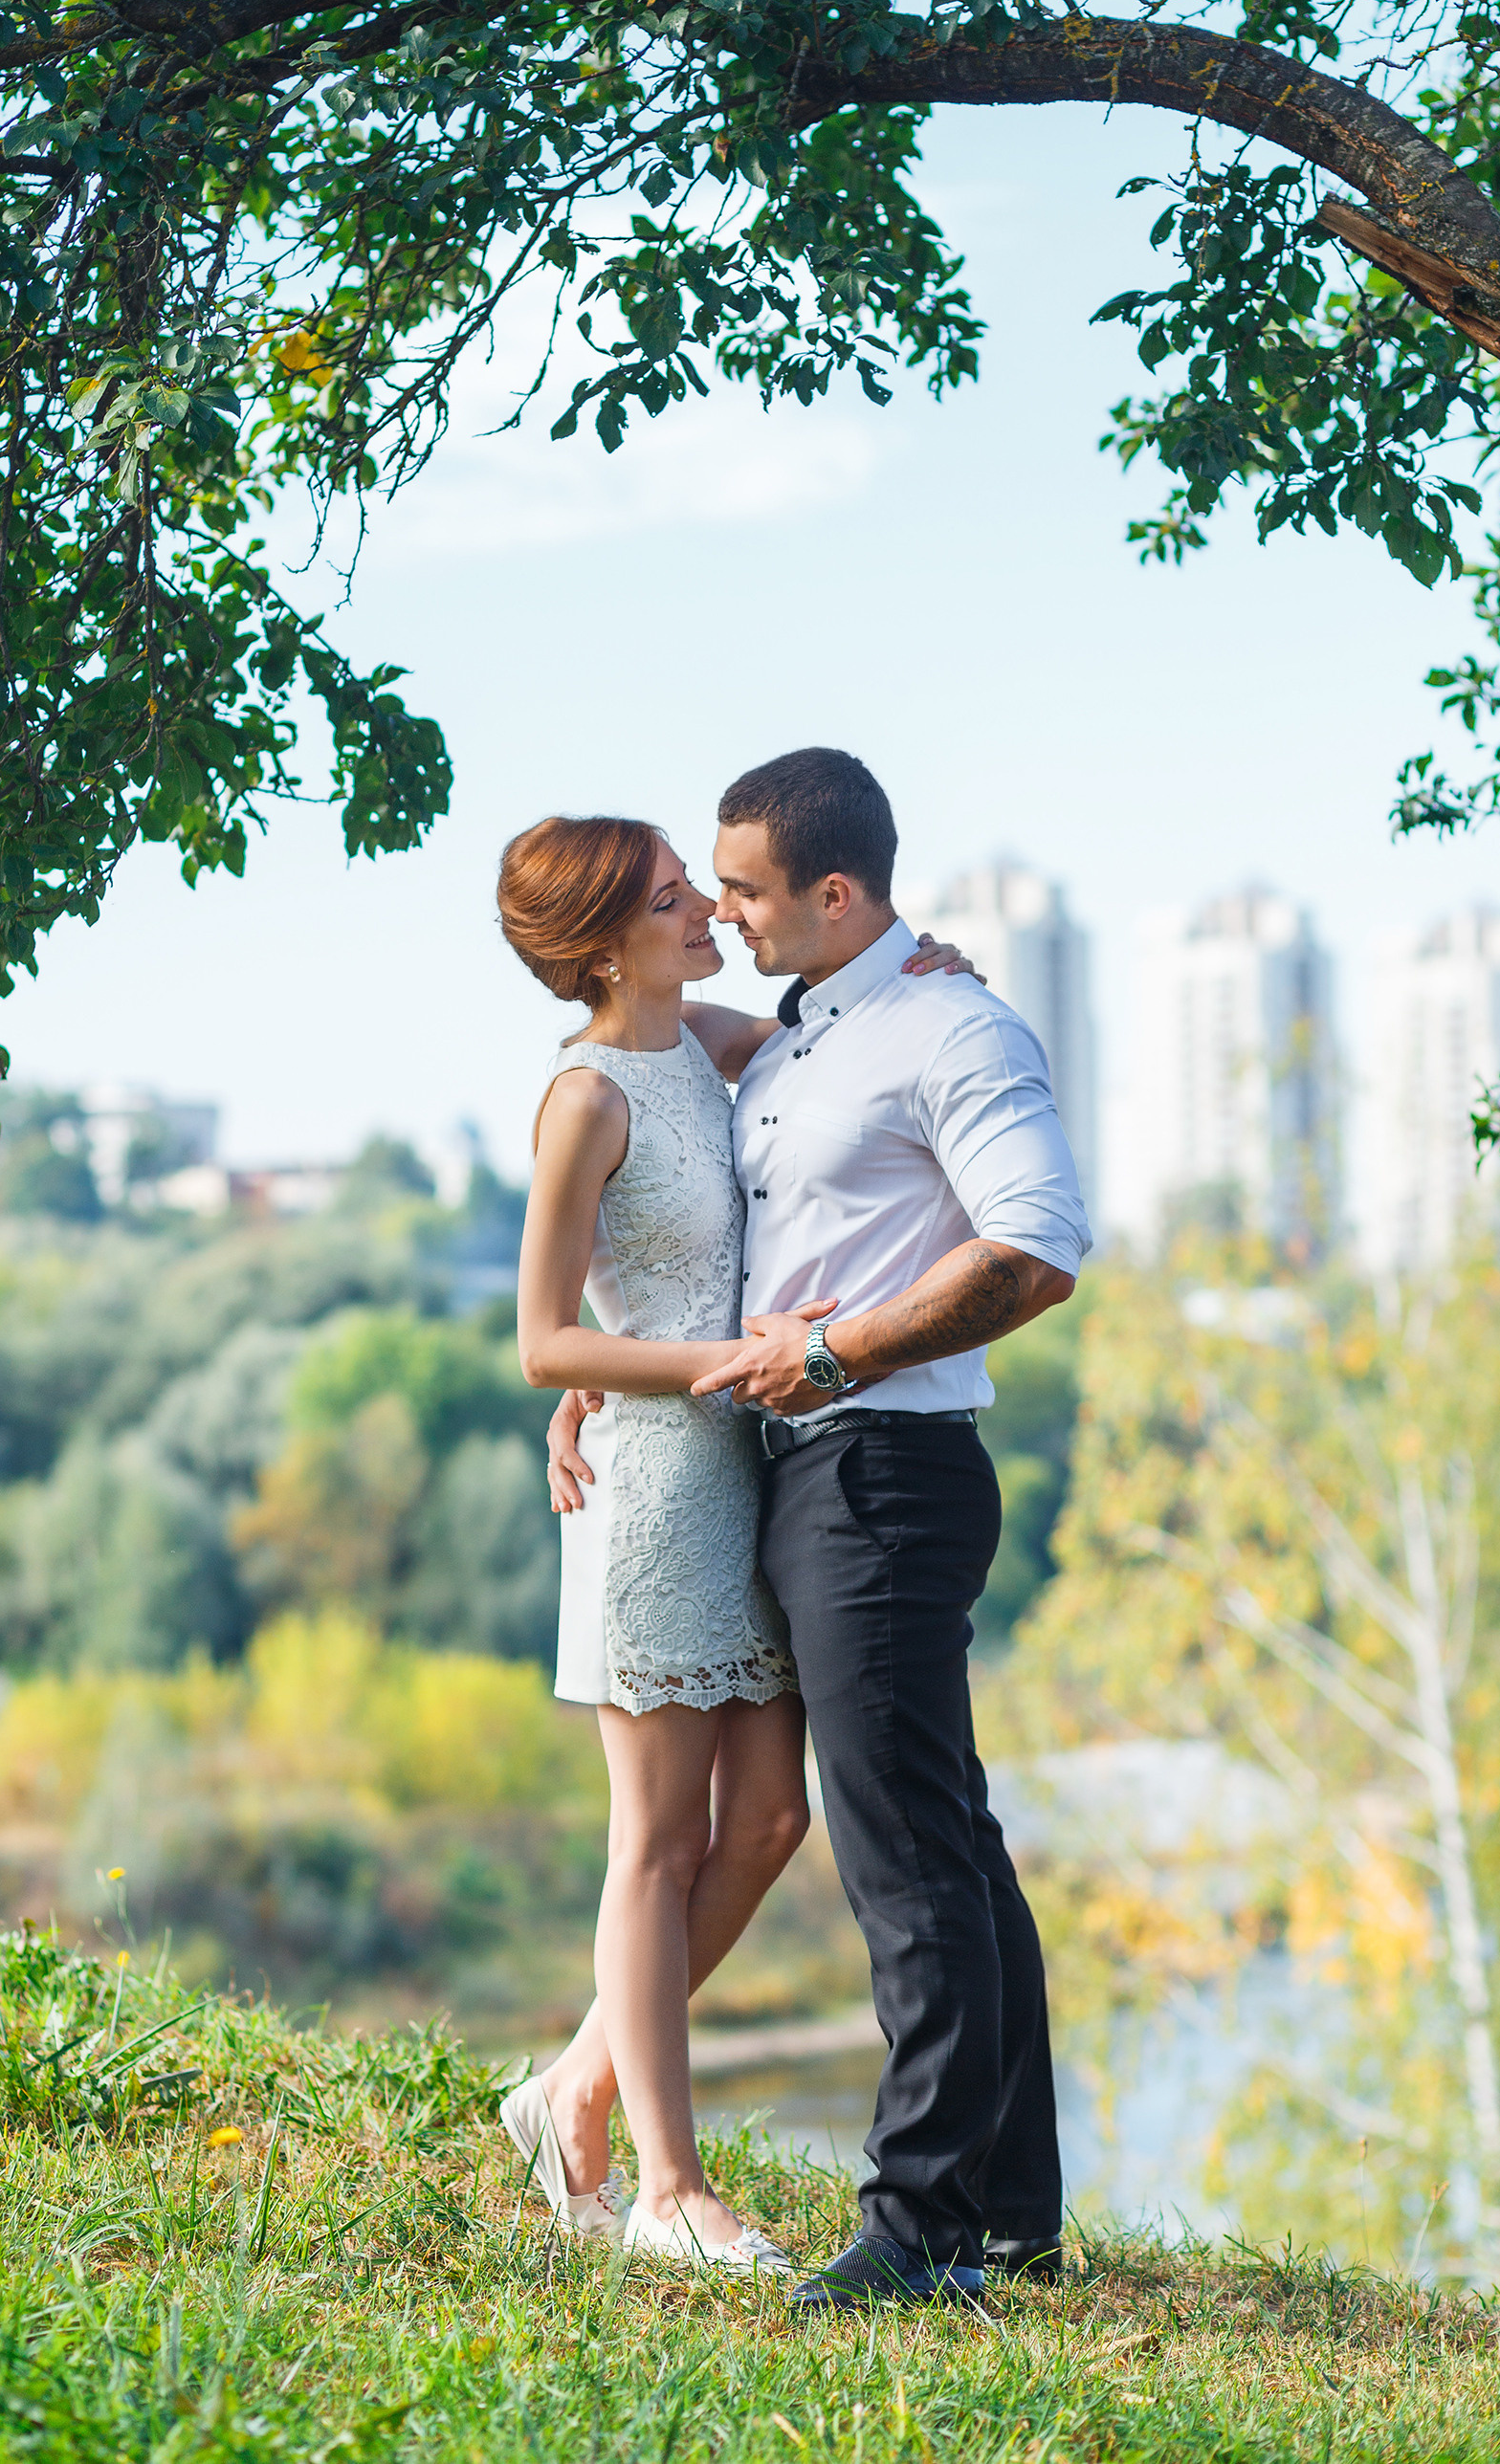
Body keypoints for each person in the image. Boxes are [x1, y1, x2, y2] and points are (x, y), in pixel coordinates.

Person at [548, 748, 1091, 2317]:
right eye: (701, 891)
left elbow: (1039, 1247)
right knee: (952, 1843)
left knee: (905, 1858)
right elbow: (670, 1194)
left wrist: (840, 1354)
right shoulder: (791, 1034)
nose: (722, 911)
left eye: (742, 890)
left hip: (887, 1474)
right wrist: (599, 1376)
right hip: (786, 1471)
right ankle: (1010, 2218)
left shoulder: (951, 1026)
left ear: (834, 894)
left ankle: (921, 2231)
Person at [496, 812, 974, 2276]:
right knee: (657, 1845)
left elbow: (834, 1045)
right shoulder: (584, 1099)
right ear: (600, 946)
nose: (704, 907)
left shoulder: (705, 1043)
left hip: (752, 1474)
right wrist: (715, 1363)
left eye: (696, 888)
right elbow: (545, 1339)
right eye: (668, 898)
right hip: (652, 1493)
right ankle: (665, 2189)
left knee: (768, 1821)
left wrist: (923, 971)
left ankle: (568, 2090)